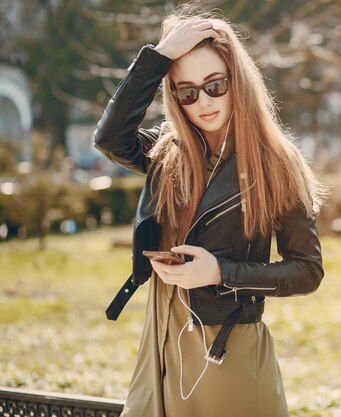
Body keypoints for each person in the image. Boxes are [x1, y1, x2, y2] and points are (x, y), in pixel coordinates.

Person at [93, 6, 325, 417]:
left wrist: (220, 272)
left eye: (215, 84)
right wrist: (158, 58)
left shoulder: (277, 162)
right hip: (161, 336)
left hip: (226, 349)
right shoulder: (167, 148)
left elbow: (307, 270)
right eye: (187, 91)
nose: (203, 101)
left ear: (238, 81)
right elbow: (110, 138)